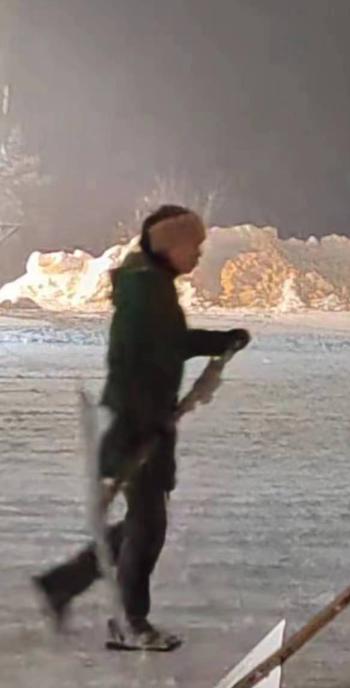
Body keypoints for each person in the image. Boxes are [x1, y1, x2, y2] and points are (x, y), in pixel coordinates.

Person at [33, 205, 250, 652]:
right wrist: (144, 426)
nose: (199, 254)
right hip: (138, 422)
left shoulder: (151, 286)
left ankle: (63, 583)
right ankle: (128, 621)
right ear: (170, 246)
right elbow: (138, 357)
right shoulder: (147, 291)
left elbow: (167, 344)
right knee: (147, 528)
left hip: (143, 420)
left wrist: (221, 340)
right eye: (194, 246)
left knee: (140, 523)